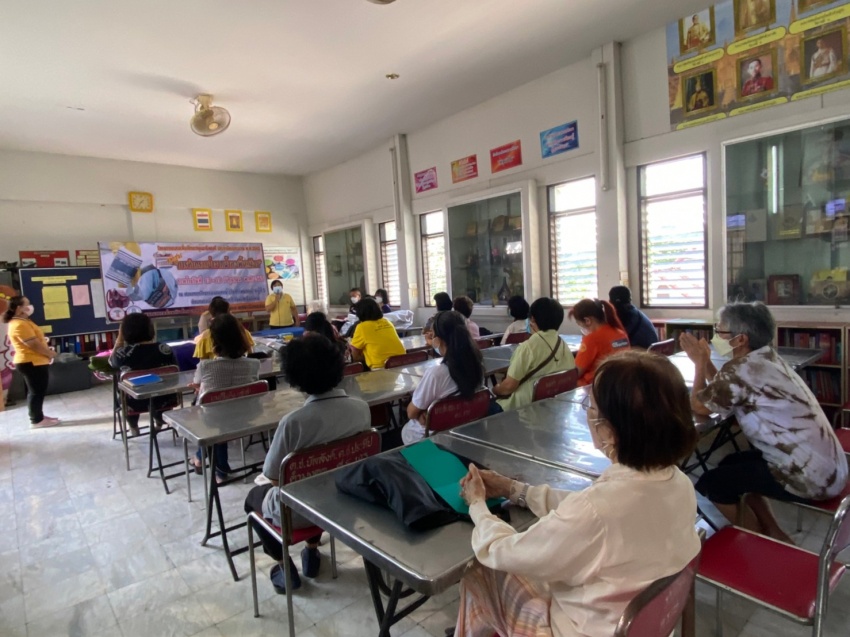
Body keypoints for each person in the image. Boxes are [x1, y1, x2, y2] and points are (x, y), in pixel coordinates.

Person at [455, 351, 701, 637]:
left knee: (480, 571)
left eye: (591, 406)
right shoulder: (679, 483)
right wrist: (516, 490)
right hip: (642, 624)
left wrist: (477, 505)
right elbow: (585, 512)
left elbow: (503, 551)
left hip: (579, 630)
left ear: (610, 431)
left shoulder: (598, 511)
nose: (587, 413)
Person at [680, 302, 848, 542]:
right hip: (828, 468)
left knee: (712, 484)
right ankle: (773, 532)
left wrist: (698, 363)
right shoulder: (764, 358)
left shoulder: (742, 369)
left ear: (740, 339)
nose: (716, 336)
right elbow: (724, 389)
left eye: (720, 331)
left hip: (810, 478)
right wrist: (706, 361)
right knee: (730, 463)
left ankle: (760, 541)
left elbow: (699, 405)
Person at [244, 335, 371, 591]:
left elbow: (275, 478)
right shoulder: (361, 408)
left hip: (299, 511)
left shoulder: (293, 423)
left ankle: (284, 566)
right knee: (320, 481)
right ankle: (312, 550)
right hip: (347, 501)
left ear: (295, 378)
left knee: (253, 498)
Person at [191, 314, 261, 479]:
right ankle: (202, 460)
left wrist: (200, 389)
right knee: (222, 410)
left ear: (214, 340)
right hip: (248, 415)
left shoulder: (205, 366)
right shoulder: (254, 364)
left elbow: (197, 383)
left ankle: (218, 469)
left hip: (213, 420)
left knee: (215, 414)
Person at [403, 311, 484, 445]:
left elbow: (411, 413)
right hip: (463, 426)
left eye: (433, 335)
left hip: (431, 436)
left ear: (439, 340)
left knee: (406, 430)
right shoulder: (476, 364)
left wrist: (428, 412)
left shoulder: (436, 374)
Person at [492, 297, 575, 412]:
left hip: (522, 407)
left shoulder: (527, 348)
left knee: (487, 407)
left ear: (532, 319)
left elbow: (508, 387)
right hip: (554, 405)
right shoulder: (564, 345)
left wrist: (495, 389)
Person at [109, 313, 178, 435]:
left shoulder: (122, 354)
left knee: (121, 389)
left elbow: (111, 362)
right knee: (159, 387)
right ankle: (160, 421)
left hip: (135, 402)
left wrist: (120, 338)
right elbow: (175, 371)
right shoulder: (165, 349)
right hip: (165, 399)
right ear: (150, 329)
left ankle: (133, 427)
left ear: (125, 332)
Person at [2, 295, 58, 425]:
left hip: (35, 361)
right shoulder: (19, 324)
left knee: (38, 390)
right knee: (36, 391)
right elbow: (33, 344)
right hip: (30, 362)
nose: (30, 307)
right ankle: (36, 420)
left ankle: (39, 416)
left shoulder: (24, 321)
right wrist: (49, 353)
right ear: (19, 308)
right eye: (27, 304)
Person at [569, 298, 629, 387]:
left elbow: (576, 372)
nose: (581, 328)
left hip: (595, 386)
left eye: (579, 324)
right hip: (620, 383)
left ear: (587, 321)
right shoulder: (621, 333)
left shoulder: (592, 339)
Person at [349, 297, 405, 369]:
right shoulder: (387, 322)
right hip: (402, 362)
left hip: (381, 367)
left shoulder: (362, 327)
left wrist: (367, 356)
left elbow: (355, 356)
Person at [608, 286, 658, 350]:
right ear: (630, 300)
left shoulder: (626, 316)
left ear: (610, 302)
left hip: (642, 353)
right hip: (650, 352)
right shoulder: (635, 313)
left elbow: (620, 341)